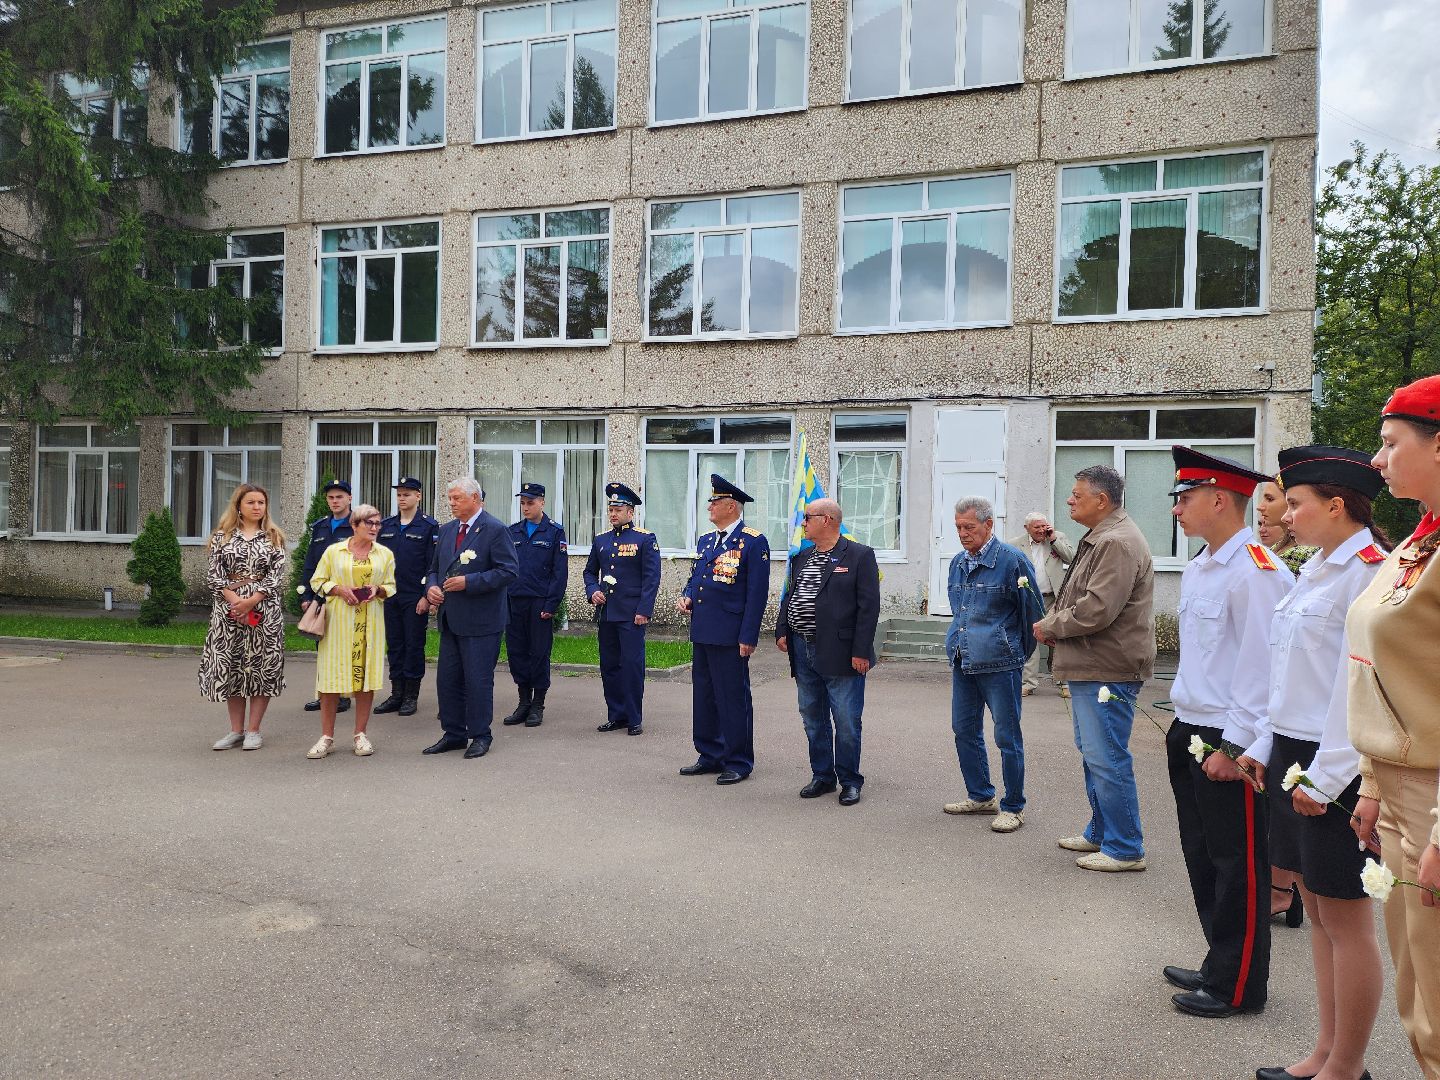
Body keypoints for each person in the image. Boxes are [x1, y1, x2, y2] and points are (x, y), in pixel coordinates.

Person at [1234, 446, 1390, 1080]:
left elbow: (1360, 686)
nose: (1285, 516)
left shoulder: (1371, 574)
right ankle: (1325, 1052)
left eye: (1296, 504)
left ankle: (1348, 1065)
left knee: (1346, 916)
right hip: (1297, 750)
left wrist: (1326, 778)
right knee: (1320, 909)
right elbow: (1290, 677)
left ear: (1337, 504)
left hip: (1339, 762)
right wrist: (1265, 749)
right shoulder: (1320, 569)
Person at [1163, 447, 1294, 1019]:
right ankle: (1220, 960)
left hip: (1226, 738)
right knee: (1203, 855)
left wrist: (1238, 747)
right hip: (1189, 725)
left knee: (1238, 864)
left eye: (1184, 497)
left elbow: (1266, 671)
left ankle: (1239, 985)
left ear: (1219, 499)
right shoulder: (1202, 565)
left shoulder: (1258, 571)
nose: (1176, 508)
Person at [1346, 374, 1440, 1079]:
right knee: (1418, 996)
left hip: (1435, 797)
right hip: (1402, 790)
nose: (1377, 461)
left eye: (1390, 442)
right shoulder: (1418, 541)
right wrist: (1373, 781)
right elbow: (1373, 671)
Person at [1033, 465, 1155, 872]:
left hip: (1108, 667)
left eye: (1076, 494)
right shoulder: (1103, 536)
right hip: (1094, 663)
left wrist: (1049, 626)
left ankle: (1125, 847)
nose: (1069, 500)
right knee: (1095, 755)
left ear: (1102, 501)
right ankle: (1102, 831)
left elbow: (1097, 608)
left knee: (1107, 757)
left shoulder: (1116, 541)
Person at [941, 496, 1042, 834]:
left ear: (988, 524)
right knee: (964, 730)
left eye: (968, 527)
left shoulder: (1012, 561)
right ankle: (981, 795)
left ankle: (1013, 806)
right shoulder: (957, 562)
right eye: (958, 527)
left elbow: (1033, 615)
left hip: (1001, 664)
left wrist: (1014, 652)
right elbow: (960, 611)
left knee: (1007, 737)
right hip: (963, 660)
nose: (962, 533)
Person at [775, 498, 880, 806]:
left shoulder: (859, 555)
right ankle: (822, 776)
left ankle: (849, 780)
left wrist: (861, 650)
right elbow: (789, 596)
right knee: (812, 715)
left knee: (846, 719)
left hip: (841, 650)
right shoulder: (802, 556)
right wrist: (783, 629)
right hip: (801, 645)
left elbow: (868, 607)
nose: (803, 523)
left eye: (808, 518)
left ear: (828, 520)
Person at [677, 475, 771, 786]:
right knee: (704, 696)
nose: (709, 506)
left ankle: (738, 760)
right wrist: (688, 594)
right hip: (703, 630)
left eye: (714, 502)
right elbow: (696, 576)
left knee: (732, 698)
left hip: (731, 634)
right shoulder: (707, 540)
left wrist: (748, 636)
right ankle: (710, 754)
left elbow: (756, 594)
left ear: (731, 506)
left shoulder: (753, 542)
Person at [422, 479, 520, 760]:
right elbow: (434, 569)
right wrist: (430, 587)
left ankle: (480, 734)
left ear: (475, 498)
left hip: (482, 621)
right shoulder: (447, 530)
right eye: (449, 498)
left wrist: (470, 582)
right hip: (451, 618)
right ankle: (453, 733)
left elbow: (509, 571)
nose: (451, 503)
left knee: (477, 680)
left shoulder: (495, 529)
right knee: (448, 680)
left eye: (456, 498)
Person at [1256, 474, 1316, 925]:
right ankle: (1284, 890)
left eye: (1274, 500)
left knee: (1287, 809)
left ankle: (1283, 892)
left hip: (1305, 714)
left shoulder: (1301, 559)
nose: (1263, 509)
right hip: (1279, 705)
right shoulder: (1286, 557)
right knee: (1278, 807)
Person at [200, 484, 287, 751]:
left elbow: (276, 575)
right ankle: (236, 730)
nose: (257, 507)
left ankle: (253, 730)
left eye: (261, 502)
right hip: (229, 611)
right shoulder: (221, 537)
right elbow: (214, 574)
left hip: (263, 611)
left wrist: (251, 600)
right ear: (239, 506)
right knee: (233, 667)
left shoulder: (274, 537)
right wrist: (234, 600)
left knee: (262, 668)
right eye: (251, 502)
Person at [307, 504, 397, 759]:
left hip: (370, 623)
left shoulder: (385, 554)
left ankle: (360, 734)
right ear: (354, 525)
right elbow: (317, 581)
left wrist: (376, 590)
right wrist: (338, 589)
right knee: (330, 679)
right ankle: (327, 737)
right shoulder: (334, 551)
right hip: (338, 623)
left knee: (365, 678)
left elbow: (391, 586)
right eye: (369, 523)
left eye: (378, 523)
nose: (374, 528)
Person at [583, 483, 660, 735]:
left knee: (631, 665)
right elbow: (589, 572)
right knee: (610, 666)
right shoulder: (601, 540)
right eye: (611, 509)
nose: (613, 513)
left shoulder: (644, 539)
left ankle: (633, 717)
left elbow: (651, 578)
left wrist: (644, 610)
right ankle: (616, 715)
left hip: (631, 614)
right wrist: (592, 590)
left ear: (631, 511)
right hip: (607, 613)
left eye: (618, 508)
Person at [501, 482, 568, 729]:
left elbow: (559, 573)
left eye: (530, 502)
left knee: (538, 653)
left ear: (542, 502)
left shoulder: (554, 532)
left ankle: (538, 704)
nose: (526, 507)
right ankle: (523, 702)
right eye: (522, 503)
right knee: (517, 652)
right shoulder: (513, 532)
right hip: (515, 600)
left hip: (540, 602)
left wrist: (551, 604)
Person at [373, 477, 438, 718]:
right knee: (395, 645)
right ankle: (396, 692)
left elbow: (433, 564)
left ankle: (411, 695)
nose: (402, 498)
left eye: (407, 494)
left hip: (414, 597)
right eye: (399, 494)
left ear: (418, 496)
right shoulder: (387, 526)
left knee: (413, 645)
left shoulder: (428, 526)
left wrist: (426, 597)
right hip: (390, 595)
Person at [299, 479, 354, 715]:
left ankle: (342, 695)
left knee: (343, 646)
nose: (335, 501)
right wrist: (306, 594)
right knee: (322, 645)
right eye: (331, 497)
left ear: (349, 499)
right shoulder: (320, 526)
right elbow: (310, 562)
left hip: (346, 595)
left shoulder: (356, 526)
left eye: (339, 497)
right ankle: (324, 694)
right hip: (321, 596)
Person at [1007, 512, 1076, 698]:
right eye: (1036, 527)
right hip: (1029, 597)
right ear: (1027, 528)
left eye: (1043, 526)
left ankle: (1063, 683)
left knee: (1059, 638)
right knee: (1031, 638)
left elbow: (1073, 559)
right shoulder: (1015, 544)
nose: (1041, 530)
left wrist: (1053, 539)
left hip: (1055, 598)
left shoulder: (1057, 538)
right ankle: (1028, 683)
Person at [1257, 480, 1319, 575]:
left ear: (1291, 501)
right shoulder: (1277, 546)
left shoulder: (1303, 554)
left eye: (1270, 499)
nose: (1260, 507)